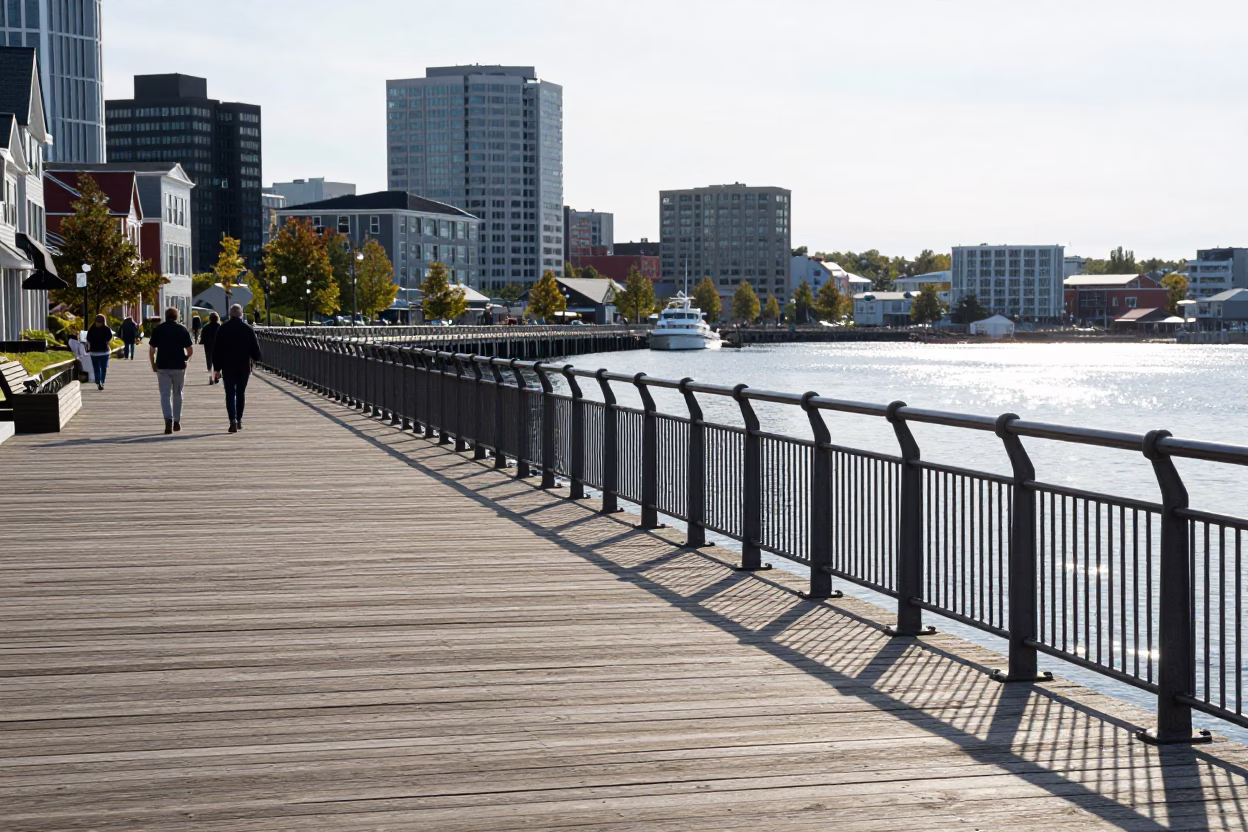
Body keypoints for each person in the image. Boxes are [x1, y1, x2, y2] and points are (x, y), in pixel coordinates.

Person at [211, 304, 262, 433]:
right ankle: (239, 420)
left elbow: (216, 350)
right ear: (241, 314)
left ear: (230, 314)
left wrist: (216, 368)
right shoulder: (248, 329)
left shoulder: (223, 329)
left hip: (228, 366)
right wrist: (255, 358)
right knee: (240, 393)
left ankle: (232, 420)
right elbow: (256, 352)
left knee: (229, 394)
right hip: (243, 366)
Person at [148, 307, 194, 434]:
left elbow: (152, 350)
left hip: (162, 366)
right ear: (176, 317)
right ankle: (177, 421)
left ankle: (168, 419)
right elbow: (190, 351)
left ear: (166, 316)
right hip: (178, 366)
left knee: (165, 394)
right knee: (178, 393)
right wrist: (186, 360)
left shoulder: (158, 329)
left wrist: (153, 364)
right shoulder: (182, 329)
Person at [85, 314, 113, 390]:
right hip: (94, 352)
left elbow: (110, 337)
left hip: (104, 352)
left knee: (104, 368)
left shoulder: (106, 329)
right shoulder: (92, 329)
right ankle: (98, 382)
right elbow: (88, 338)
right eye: (97, 321)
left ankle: (102, 382)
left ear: (103, 322)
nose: (98, 323)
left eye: (100, 322)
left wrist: (106, 342)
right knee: (97, 368)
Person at [199, 311, 222, 384]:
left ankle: (210, 378)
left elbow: (202, 339)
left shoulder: (206, 327)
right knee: (217, 363)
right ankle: (216, 376)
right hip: (219, 348)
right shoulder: (220, 327)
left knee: (209, 363)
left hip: (208, 347)